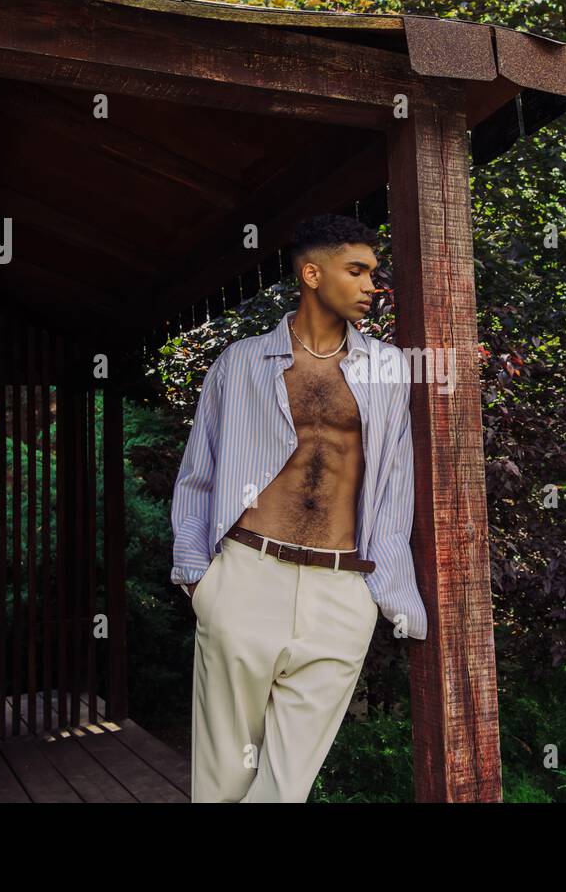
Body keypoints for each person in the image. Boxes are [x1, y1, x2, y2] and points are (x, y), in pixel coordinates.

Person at [170, 213, 428, 803]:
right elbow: (199, 474)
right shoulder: (241, 363)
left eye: (374, 273)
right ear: (312, 274)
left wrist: (383, 593)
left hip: (341, 592)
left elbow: (393, 487)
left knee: (285, 789)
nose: (371, 285)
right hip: (246, 576)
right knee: (223, 783)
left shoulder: (387, 369)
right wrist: (197, 577)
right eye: (356, 270)